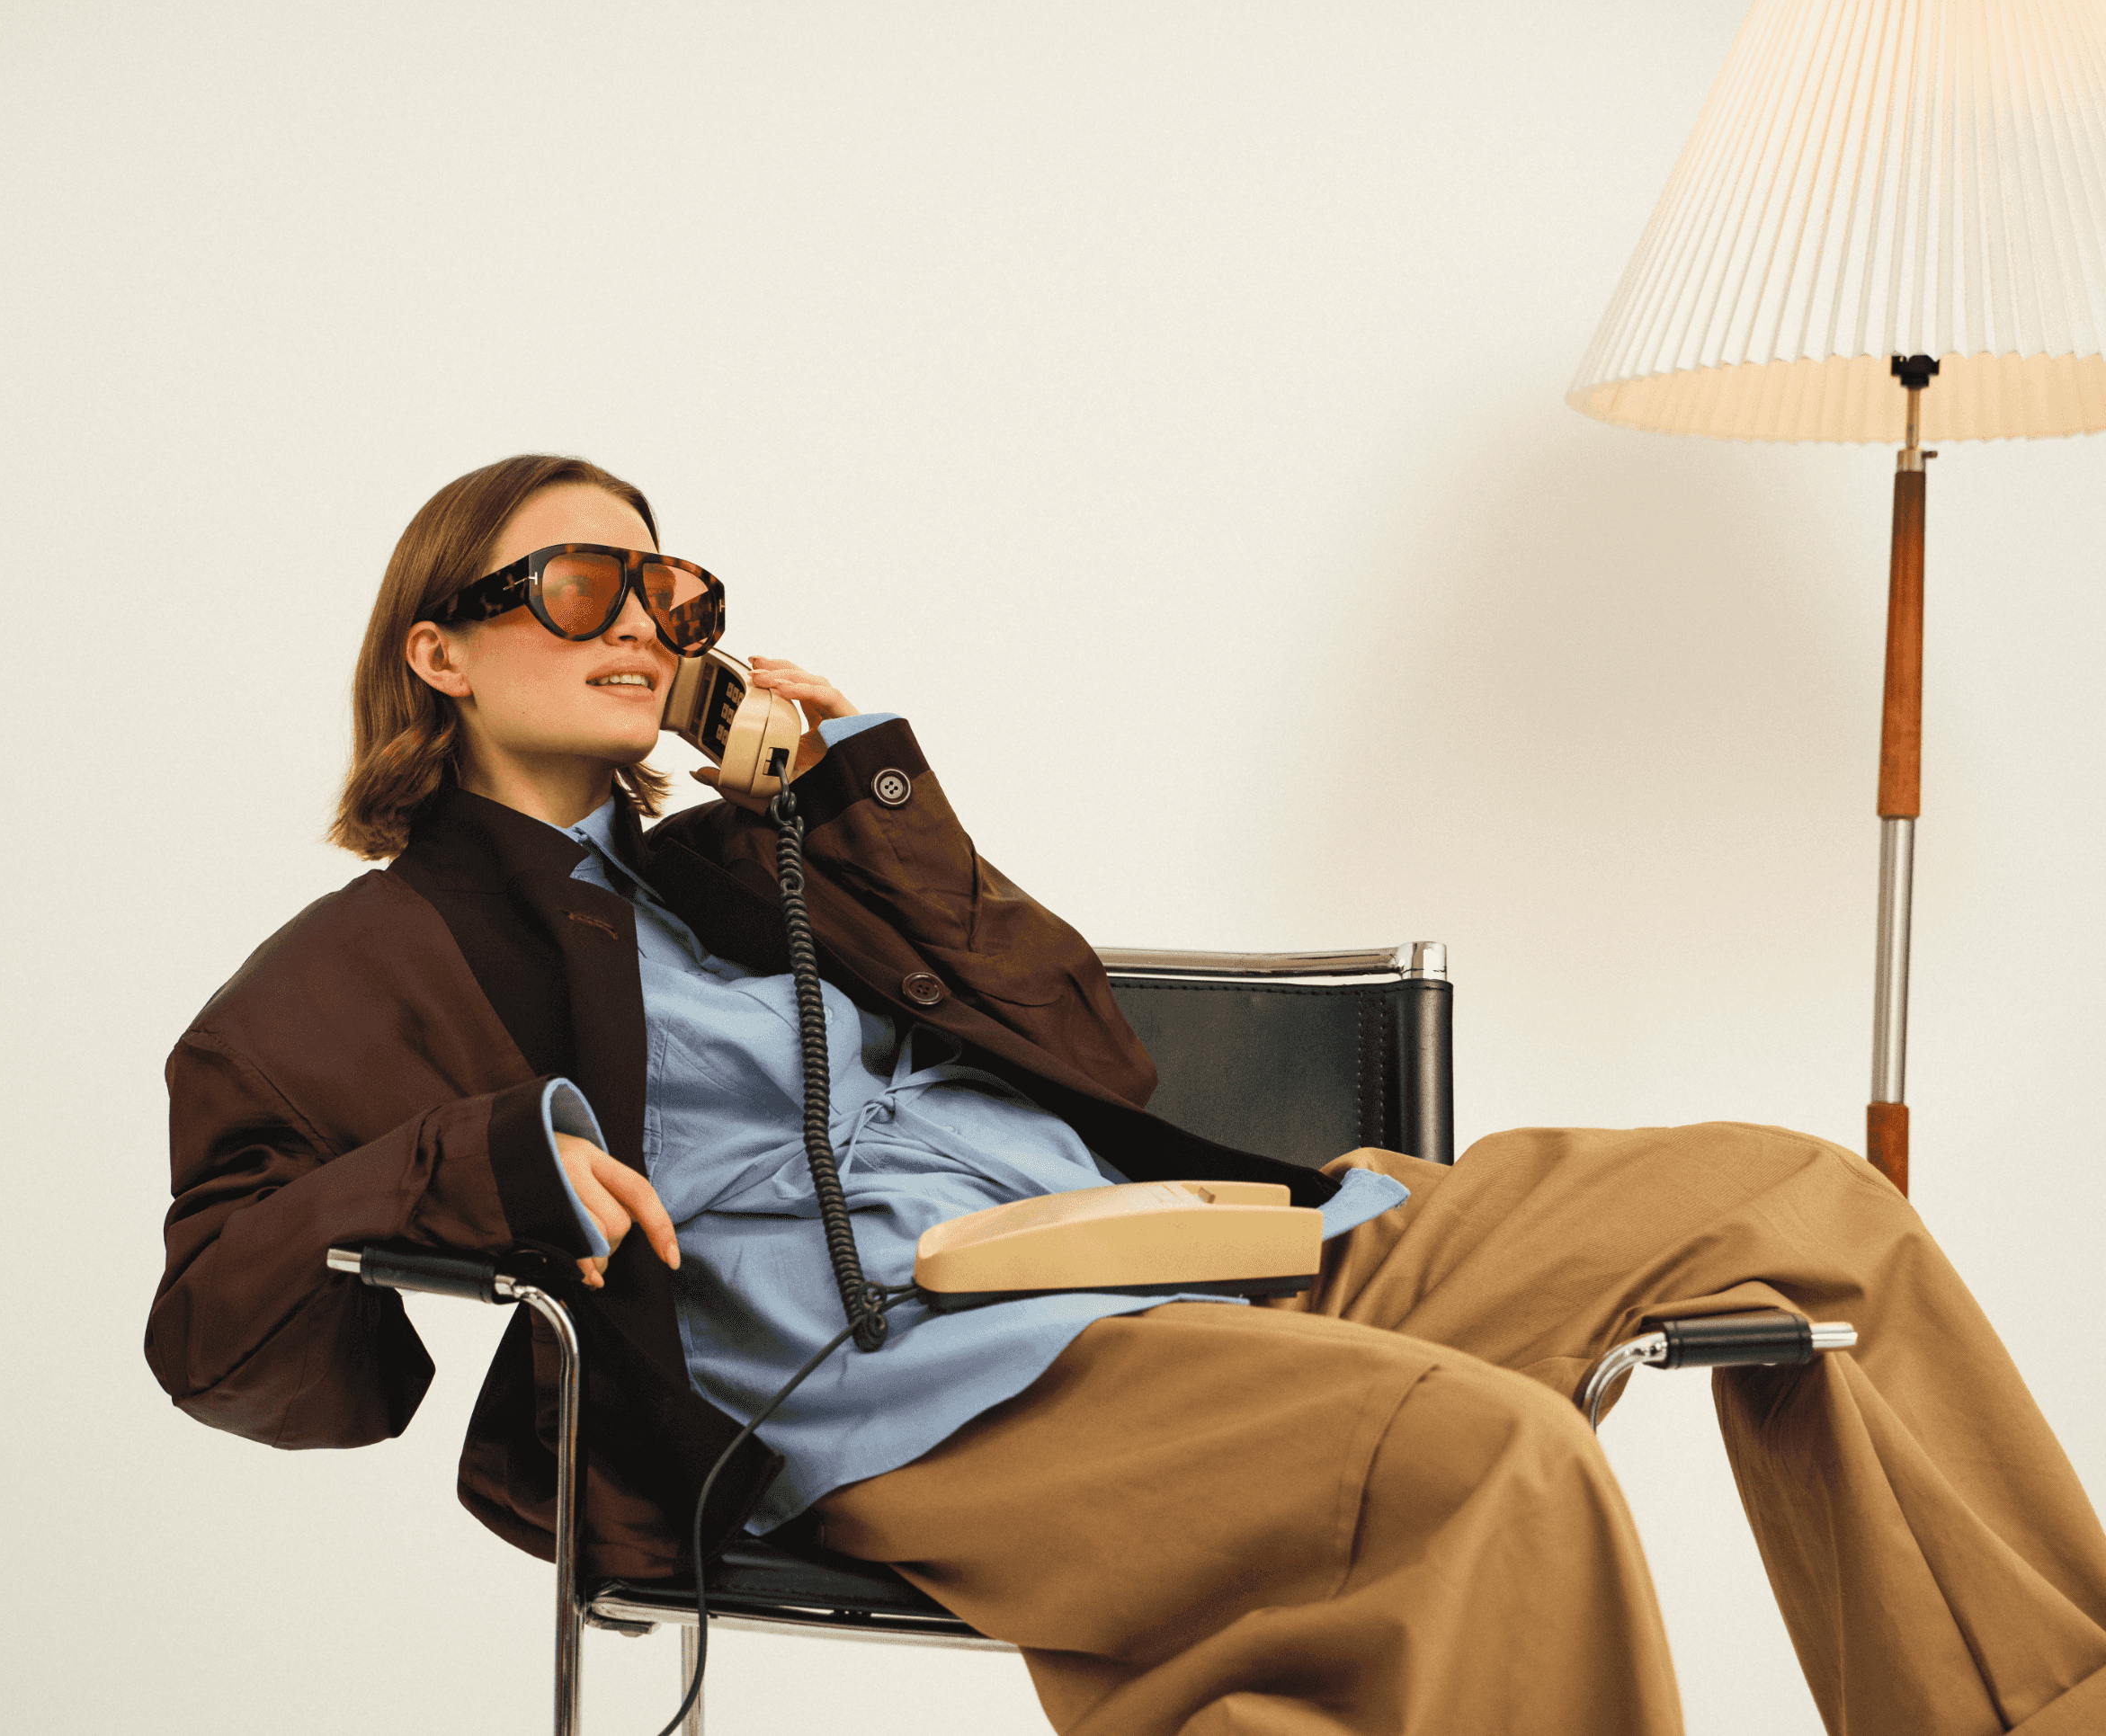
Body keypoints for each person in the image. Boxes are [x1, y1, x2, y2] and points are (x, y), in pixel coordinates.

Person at [143, 452, 2106, 1736]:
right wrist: (496, 1158)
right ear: (438, 651)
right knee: (1490, 1462)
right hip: (945, 1376)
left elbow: (1090, 1049)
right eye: (582, 587)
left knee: (1806, 1208)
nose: (646, 627)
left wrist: (862, 792)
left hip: (1213, 1249)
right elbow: (220, 1321)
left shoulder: (748, 862)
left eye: (671, 591)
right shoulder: (362, 965)